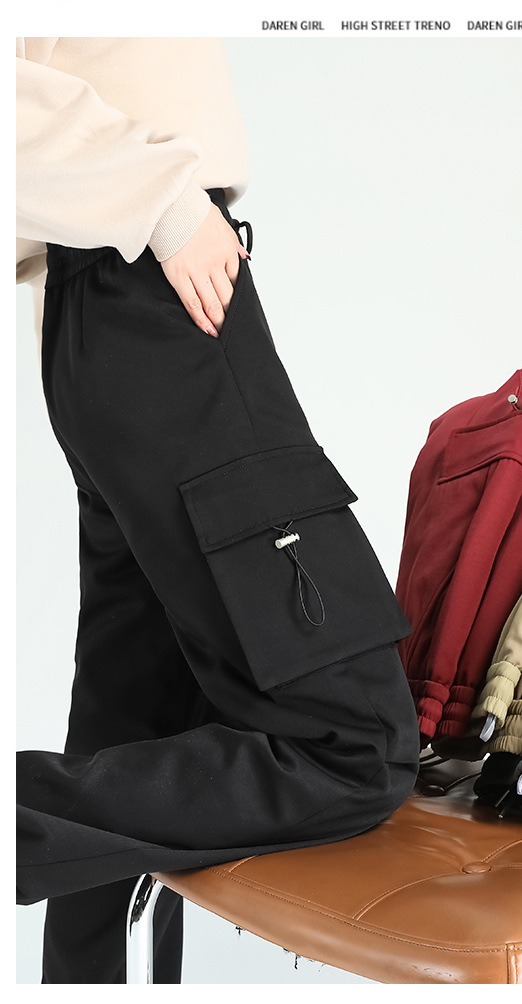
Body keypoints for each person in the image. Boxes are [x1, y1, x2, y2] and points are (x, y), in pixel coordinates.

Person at [16, 37, 420, 985]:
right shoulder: (154, 216)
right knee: (355, 746)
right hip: (154, 277)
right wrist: (166, 204)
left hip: (108, 306)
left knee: (136, 718)